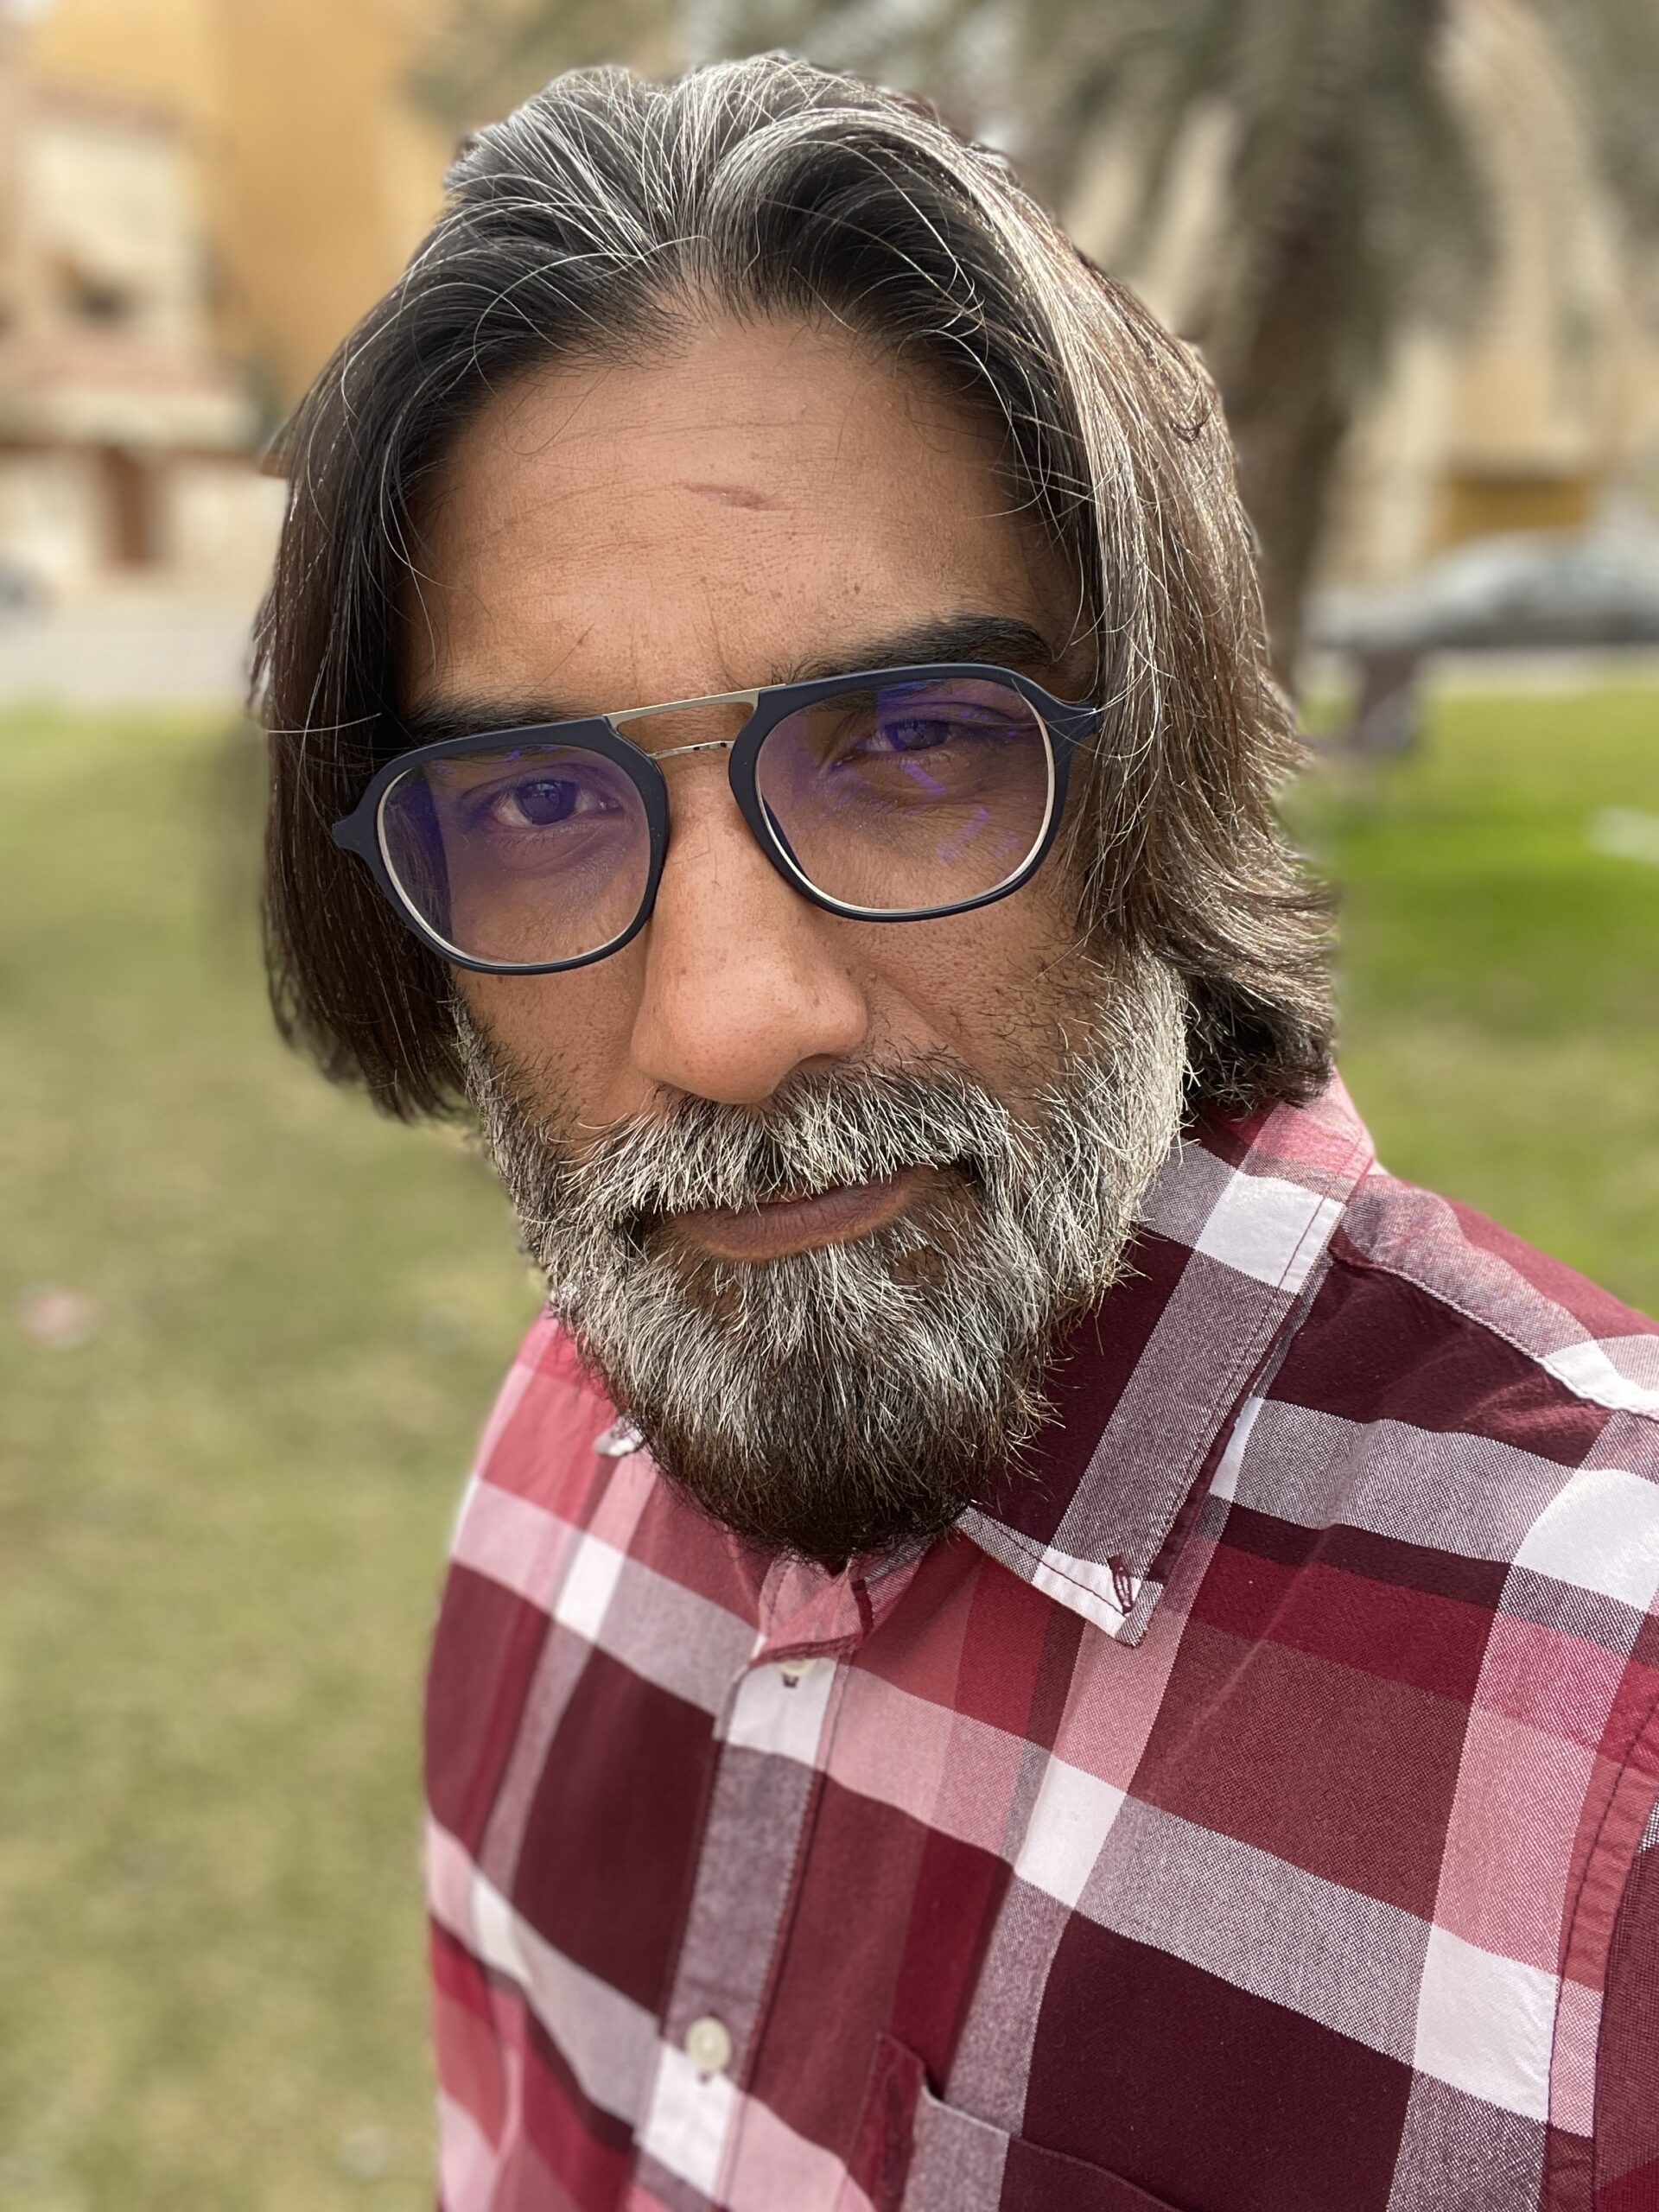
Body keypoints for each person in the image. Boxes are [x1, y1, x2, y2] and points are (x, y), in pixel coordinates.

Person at [257, 56, 1659, 2212]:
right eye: (534, 799)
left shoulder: (1608, 1736)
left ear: (1160, 756)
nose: (730, 1024)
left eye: (913, 742)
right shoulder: (559, 1442)